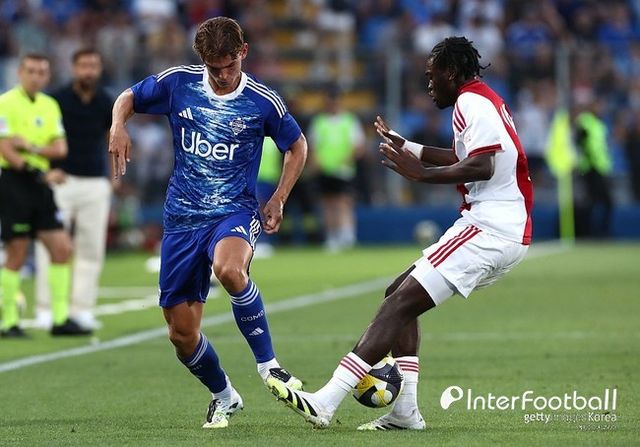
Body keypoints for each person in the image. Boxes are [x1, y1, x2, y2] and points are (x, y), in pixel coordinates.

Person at [267, 36, 533, 430]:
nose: (429, 84)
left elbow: (483, 166)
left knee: (398, 305)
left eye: (432, 75)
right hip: (497, 226)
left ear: (451, 72)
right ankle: (405, 411)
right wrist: (409, 146)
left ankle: (326, 401)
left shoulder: (471, 103)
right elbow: (466, 156)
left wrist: (421, 174)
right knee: (398, 294)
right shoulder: (480, 100)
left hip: (491, 227)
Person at [108, 17, 308, 429]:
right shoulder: (178, 83)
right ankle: (224, 395)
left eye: (229, 65)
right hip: (181, 219)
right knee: (181, 335)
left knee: (229, 270)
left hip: (234, 211)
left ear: (243, 53)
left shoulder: (262, 101)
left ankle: (269, 365)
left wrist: (278, 198)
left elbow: (297, 145)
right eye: (214, 68)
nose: (222, 75)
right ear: (202, 60)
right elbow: (127, 96)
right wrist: (118, 126)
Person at [0, 53, 83, 337]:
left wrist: (30, 147)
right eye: (30, 71)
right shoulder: (5, 103)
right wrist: (38, 170)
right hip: (15, 184)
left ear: (47, 76)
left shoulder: (49, 105)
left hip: (41, 185)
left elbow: (60, 148)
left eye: (41, 72)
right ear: (20, 73)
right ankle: (9, 321)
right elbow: (5, 149)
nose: (35, 77)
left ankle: (60, 320)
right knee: (17, 252)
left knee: (62, 249)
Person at [34, 48, 114, 332]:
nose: (88, 71)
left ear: (100, 68)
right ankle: (46, 309)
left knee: (91, 249)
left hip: (95, 182)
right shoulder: (57, 99)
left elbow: (112, 138)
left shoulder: (106, 101)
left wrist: (113, 176)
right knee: (50, 246)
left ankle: (82, 310)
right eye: (83, 66)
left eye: (93, 65)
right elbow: (43, 137)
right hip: (61, 181)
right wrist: (46, 171)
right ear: (73, 68)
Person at [308, 88, 365, 251]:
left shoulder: (349, 121)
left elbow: (358, 146)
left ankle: (346, 235)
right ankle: (332, 237)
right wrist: (316, 163)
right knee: (327, 203)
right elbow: (313, 145)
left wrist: (346, 160)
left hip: (343, 170)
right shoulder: (319, 122)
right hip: (325, 169)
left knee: (344, 202)